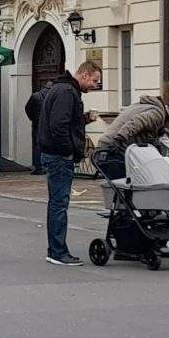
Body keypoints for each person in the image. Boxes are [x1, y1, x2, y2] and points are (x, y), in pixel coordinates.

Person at [37, 61, 102, 266]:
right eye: (94, 80)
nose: (95, 85)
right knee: (59, 204)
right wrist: (68, 150)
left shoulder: (61, 89)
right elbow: (59, 125)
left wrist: (84, 119)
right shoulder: (67, 92)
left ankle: (55, 249)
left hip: (53, 153)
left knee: (56, 203)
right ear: (83, 75)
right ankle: (57, 251)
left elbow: (63, 122)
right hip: (58, 156)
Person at [91, 96, 169, 182]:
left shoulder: (149, 108)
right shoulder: (157, 115)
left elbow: (146, 134)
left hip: (109, 147)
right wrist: (119, 139)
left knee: (123, 187)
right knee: (124, 186)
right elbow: (136, 122)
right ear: (168, 120)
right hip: (114, 148)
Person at [24, 80, 51, 175]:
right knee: (49, 145)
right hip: (49, 125)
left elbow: (28, 108)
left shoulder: (35, 95)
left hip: (37, 124)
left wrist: (33, 118)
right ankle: (47, 166)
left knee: (36, 146)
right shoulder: (53, 96)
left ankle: (38, 167)